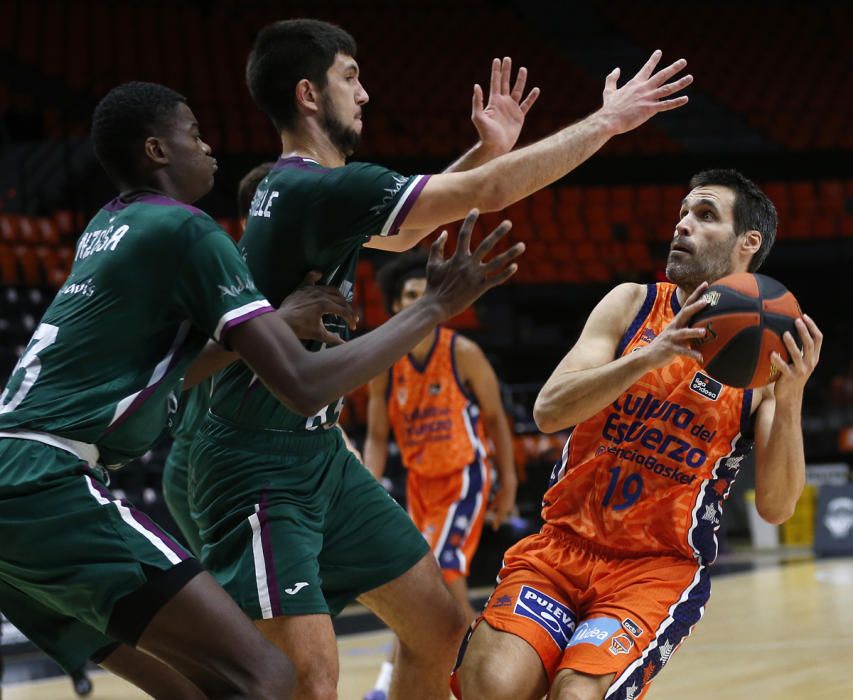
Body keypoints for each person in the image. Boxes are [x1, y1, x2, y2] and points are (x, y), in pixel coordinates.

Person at [190, 17, 692, 700]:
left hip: (317, 455)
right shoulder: (315, 186)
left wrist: (483, 150)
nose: (364, 94)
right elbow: (487, 197)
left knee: (439, 632)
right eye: (350, 77)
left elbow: (401, 237)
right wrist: (605, 122)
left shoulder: (305, 189)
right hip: (253, 459)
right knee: (308, 681)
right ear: (309, 95)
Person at [0, 81, 521, 700]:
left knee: (208, 687)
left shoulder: (109, 227)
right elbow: (303, 384)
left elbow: (173, 366)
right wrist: (433, 306)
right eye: (193, 135)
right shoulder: (188, 230)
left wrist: (272, 315)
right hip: (55, 476)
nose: (210, 147)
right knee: (270, 678)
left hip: (21, 474)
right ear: (156, 151)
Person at [452, 169, 822, 700]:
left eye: (705, 215)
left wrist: (788, 402)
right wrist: (650, 356)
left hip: (655, 569)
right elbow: (549, 410)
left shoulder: (763, 365)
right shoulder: (632, 304)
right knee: (490, 684)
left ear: (749, 243)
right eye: (683, 213)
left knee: (576, 695)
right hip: (561, 547)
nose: (683, 225)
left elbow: (778, 507)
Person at [161, 162, 360, 554]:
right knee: (241, 601)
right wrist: (278, 323)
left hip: (272, 451)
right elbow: (184, 368)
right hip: (204, 455)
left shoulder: (309, 283)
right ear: (251, 220)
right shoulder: (222, 275)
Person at [361, 250, 517, 700]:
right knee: (422, 593)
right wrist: (367, 490)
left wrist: (506, 486)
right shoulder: (384, 363)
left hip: (463, 477)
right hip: (418, 485)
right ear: (394, 306)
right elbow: (375, 436)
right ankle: (473, 673)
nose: (415, 301)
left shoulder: (462, 352)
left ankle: (465, 681)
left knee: (443, 583)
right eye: (407, 295)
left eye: (423, 294)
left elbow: (495, 419)